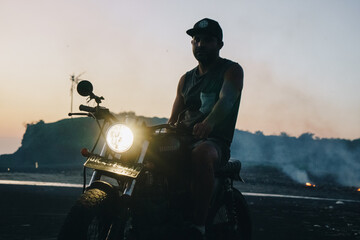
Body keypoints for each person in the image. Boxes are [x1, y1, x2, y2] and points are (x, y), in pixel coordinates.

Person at [168, 18, 244, 239]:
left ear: (219, 44)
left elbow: (226, 101)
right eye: (196, 39)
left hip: (214, 141)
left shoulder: (231, 70)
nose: (200, 44)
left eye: (208, 40)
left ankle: (198, 226)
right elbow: (173, 118)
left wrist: (208, 123)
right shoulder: (185, 79)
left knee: (201, 153)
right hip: (182, 139)